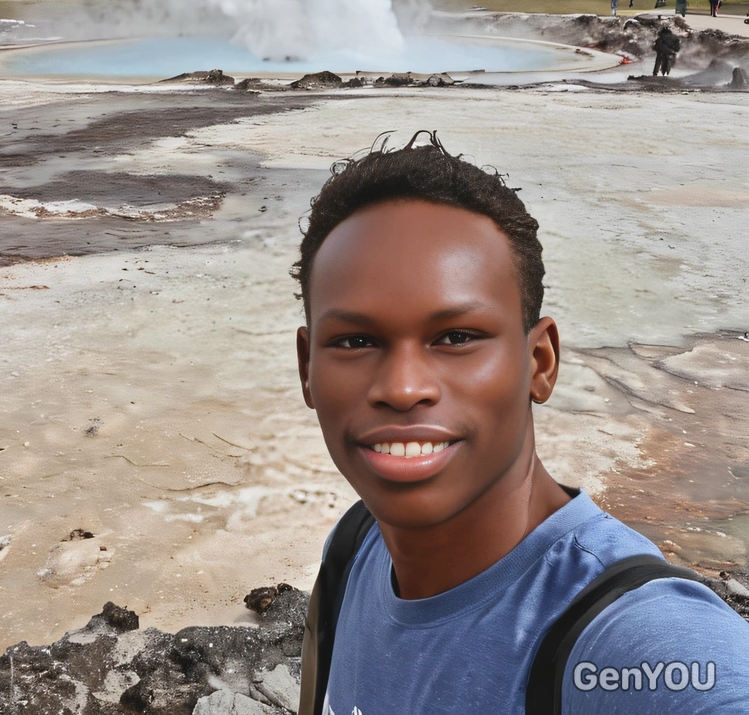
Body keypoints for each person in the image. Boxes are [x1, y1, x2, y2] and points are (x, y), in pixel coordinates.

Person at [295, 135, 749, 714]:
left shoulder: (631, 644)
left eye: (456, 337)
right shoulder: (354, 550)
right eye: (356, 341)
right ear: (307, 368)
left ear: (540, 363)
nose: (403, 387)